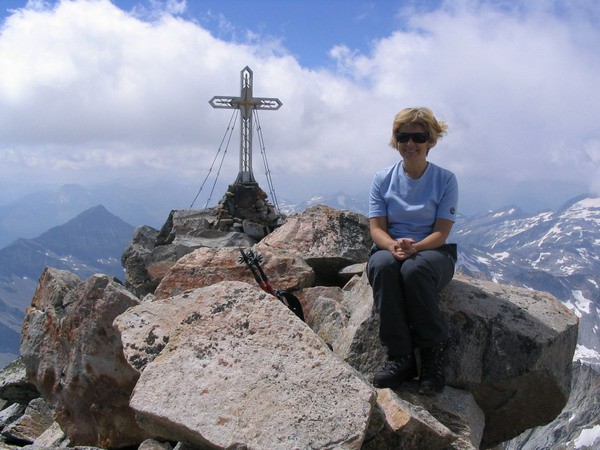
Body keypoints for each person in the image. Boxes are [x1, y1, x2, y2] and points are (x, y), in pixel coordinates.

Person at [367, 107, 458, 395]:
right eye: (403, 136)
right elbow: (376, 228)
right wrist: (393, 245)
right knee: (382, 267)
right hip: (390, 248)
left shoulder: (445, 180)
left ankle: (432, 356)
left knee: (415, 269)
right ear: (396, 140)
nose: (410, 144)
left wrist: (415, 248)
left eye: (418, 137)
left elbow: (442, 232)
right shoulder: (382, 179)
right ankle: (400, 357)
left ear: (430, 141)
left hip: (432, 251)